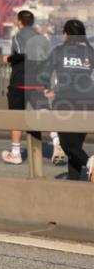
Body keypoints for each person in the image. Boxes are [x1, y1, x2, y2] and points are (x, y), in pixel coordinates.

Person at [39, 20, 94, 182]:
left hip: (65, 101)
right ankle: (73, 182)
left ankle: (90, 163)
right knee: (75, 145)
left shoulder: (59, 50)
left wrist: (46, 88)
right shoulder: (90, 52)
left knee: (67, 145)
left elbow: (45, 74)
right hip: (88, 103)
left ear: (65, 34)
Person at [2, 10, 52, 165]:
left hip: (20, 81)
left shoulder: (18, 36)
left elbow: (22, 54)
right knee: (43, 110)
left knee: (16, 116)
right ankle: (57, 141)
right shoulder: (42, 38)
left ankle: (16, 153)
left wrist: (8, 58)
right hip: (38, 81)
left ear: (19, 22)